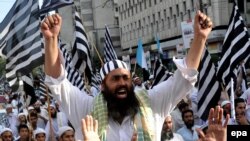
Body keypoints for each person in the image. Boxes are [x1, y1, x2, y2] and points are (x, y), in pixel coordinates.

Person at [41, 10, 212, 141]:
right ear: (102, 86)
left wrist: (199, 39)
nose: (122, 83)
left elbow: (183, 79)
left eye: (125, 77)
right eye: (115, 79)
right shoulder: (86, 109)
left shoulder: (152, 102)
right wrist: (51, 40)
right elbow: (57, 82)